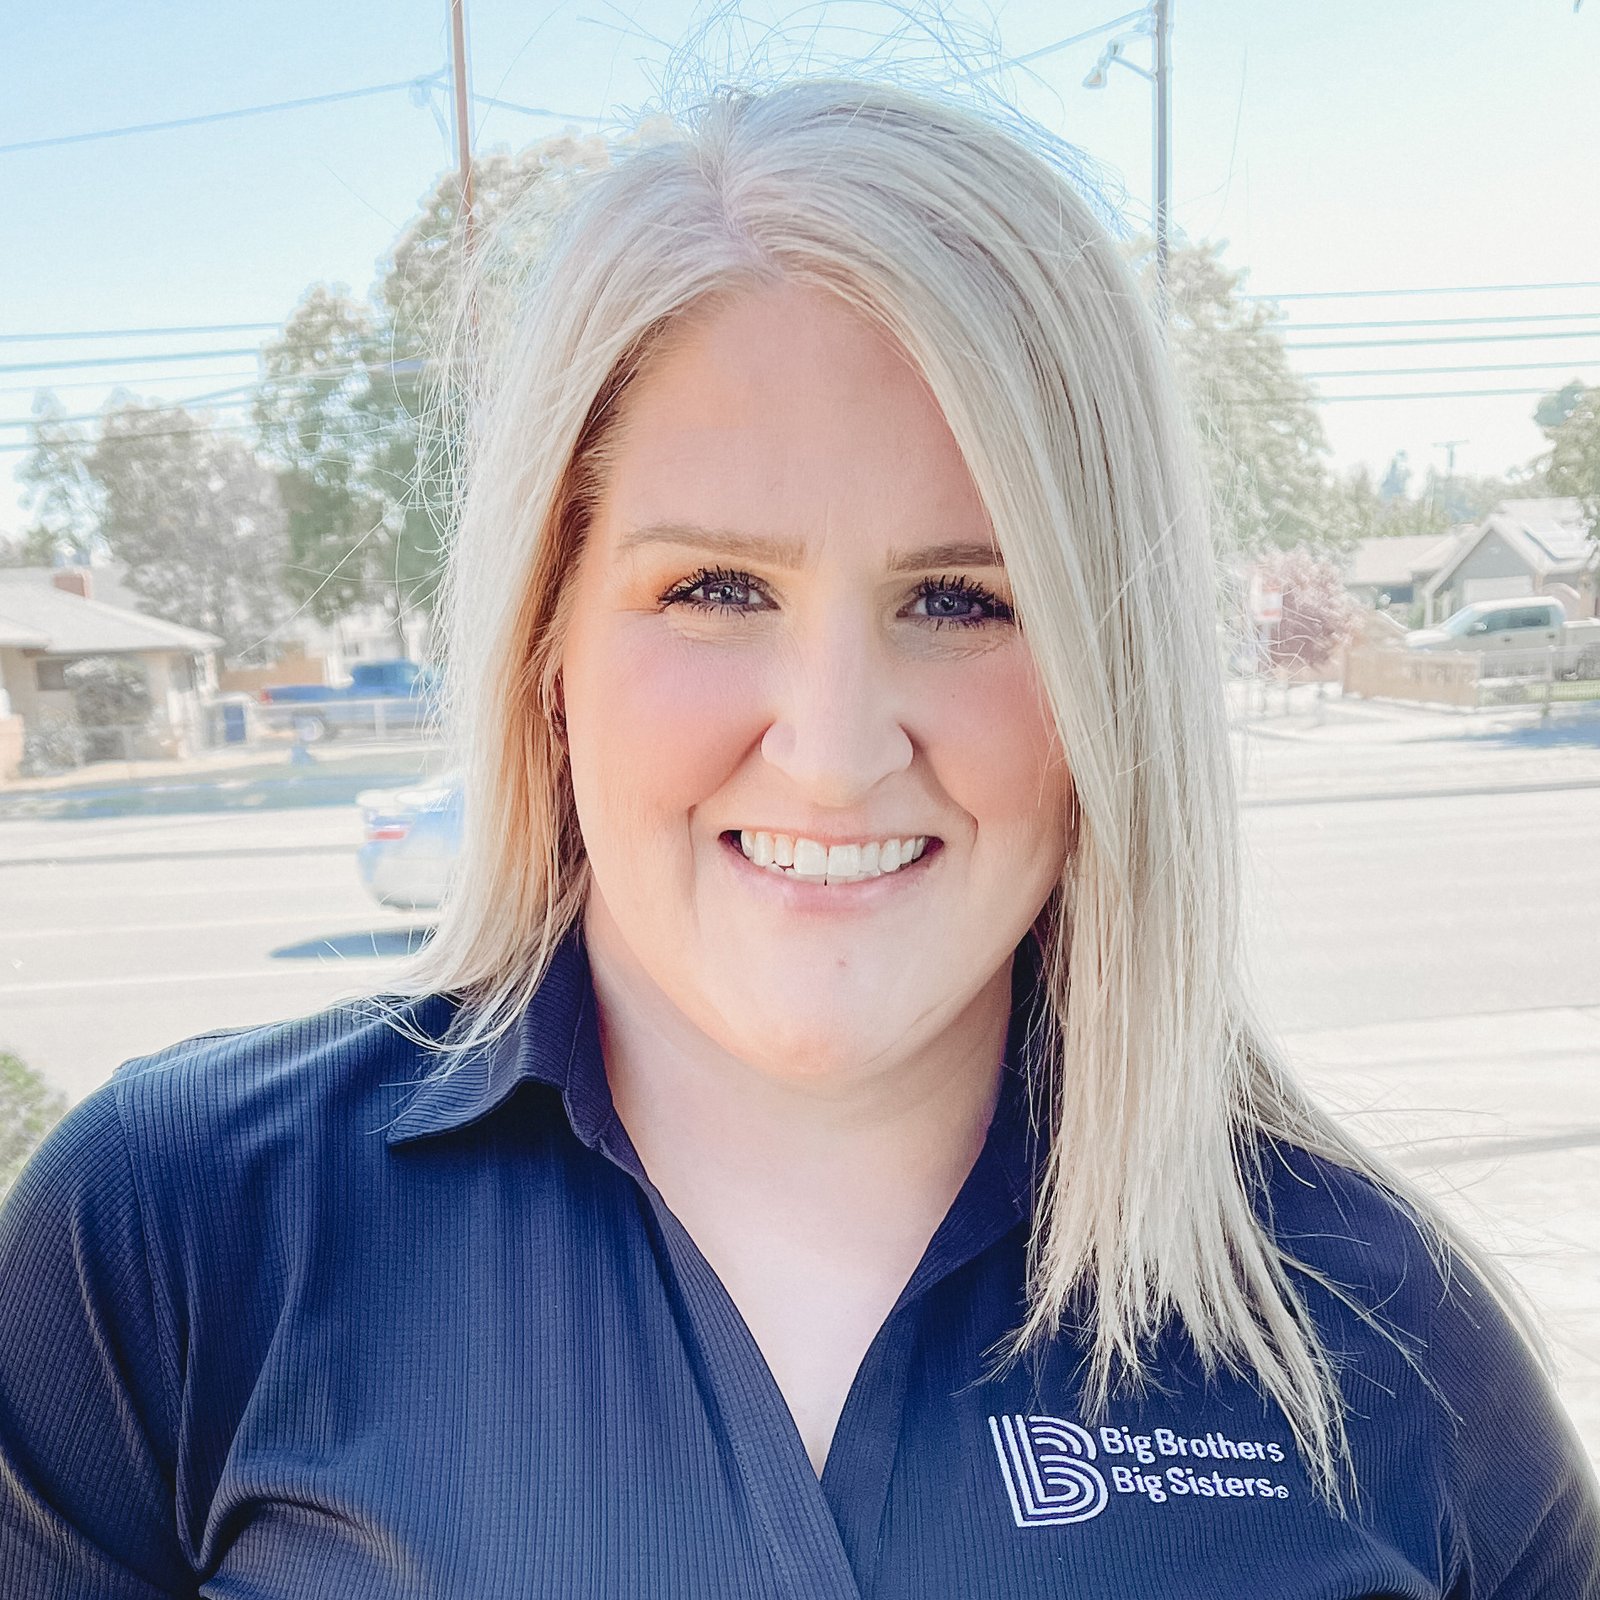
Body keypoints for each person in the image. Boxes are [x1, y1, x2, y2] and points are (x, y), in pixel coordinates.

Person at [2, 78, 1597, 1599]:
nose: (832, 756)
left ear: (1118, 686)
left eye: (961, 600)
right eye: (715, 589)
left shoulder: (1381, 1331)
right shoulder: (171, 1240)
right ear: (548, 644)